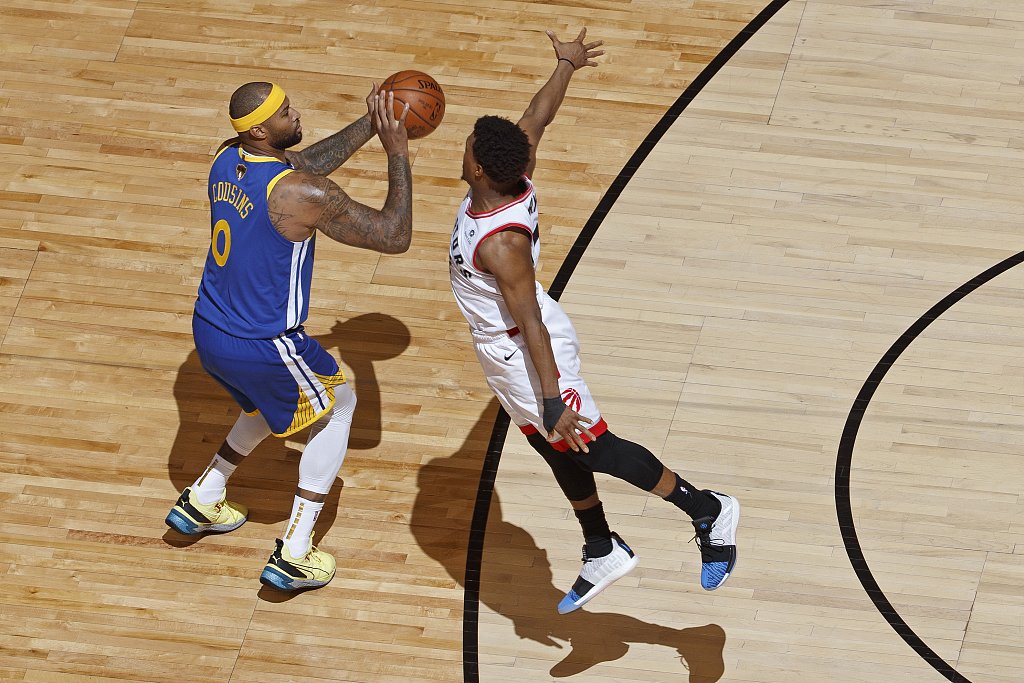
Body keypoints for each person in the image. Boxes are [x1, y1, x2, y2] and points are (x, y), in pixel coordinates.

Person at [448, 28, 740, 614]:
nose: (465, 146)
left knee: (592, 446)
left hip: (526, 347)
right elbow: (537, 117)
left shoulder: (501, 242)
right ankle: (602, 547)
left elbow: (531, 323)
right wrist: (566, 65)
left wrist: (551, 396)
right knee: (551, 445)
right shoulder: (511, 171)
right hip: (503, 348)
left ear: (478, 170)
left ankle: (709, 509)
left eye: (468, 146)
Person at [165, 80, 413, 592]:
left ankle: (204, 497)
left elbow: (300, 165)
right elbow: (394, 236)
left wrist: (370, 124)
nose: (295, 114)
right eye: (284, 113)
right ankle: (295, 552)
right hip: (263, 343)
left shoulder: (227, 157)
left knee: (266, 404)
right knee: (338, 407)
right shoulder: (306, 195)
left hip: (209, 329)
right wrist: (397, 151)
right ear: (260, 130)